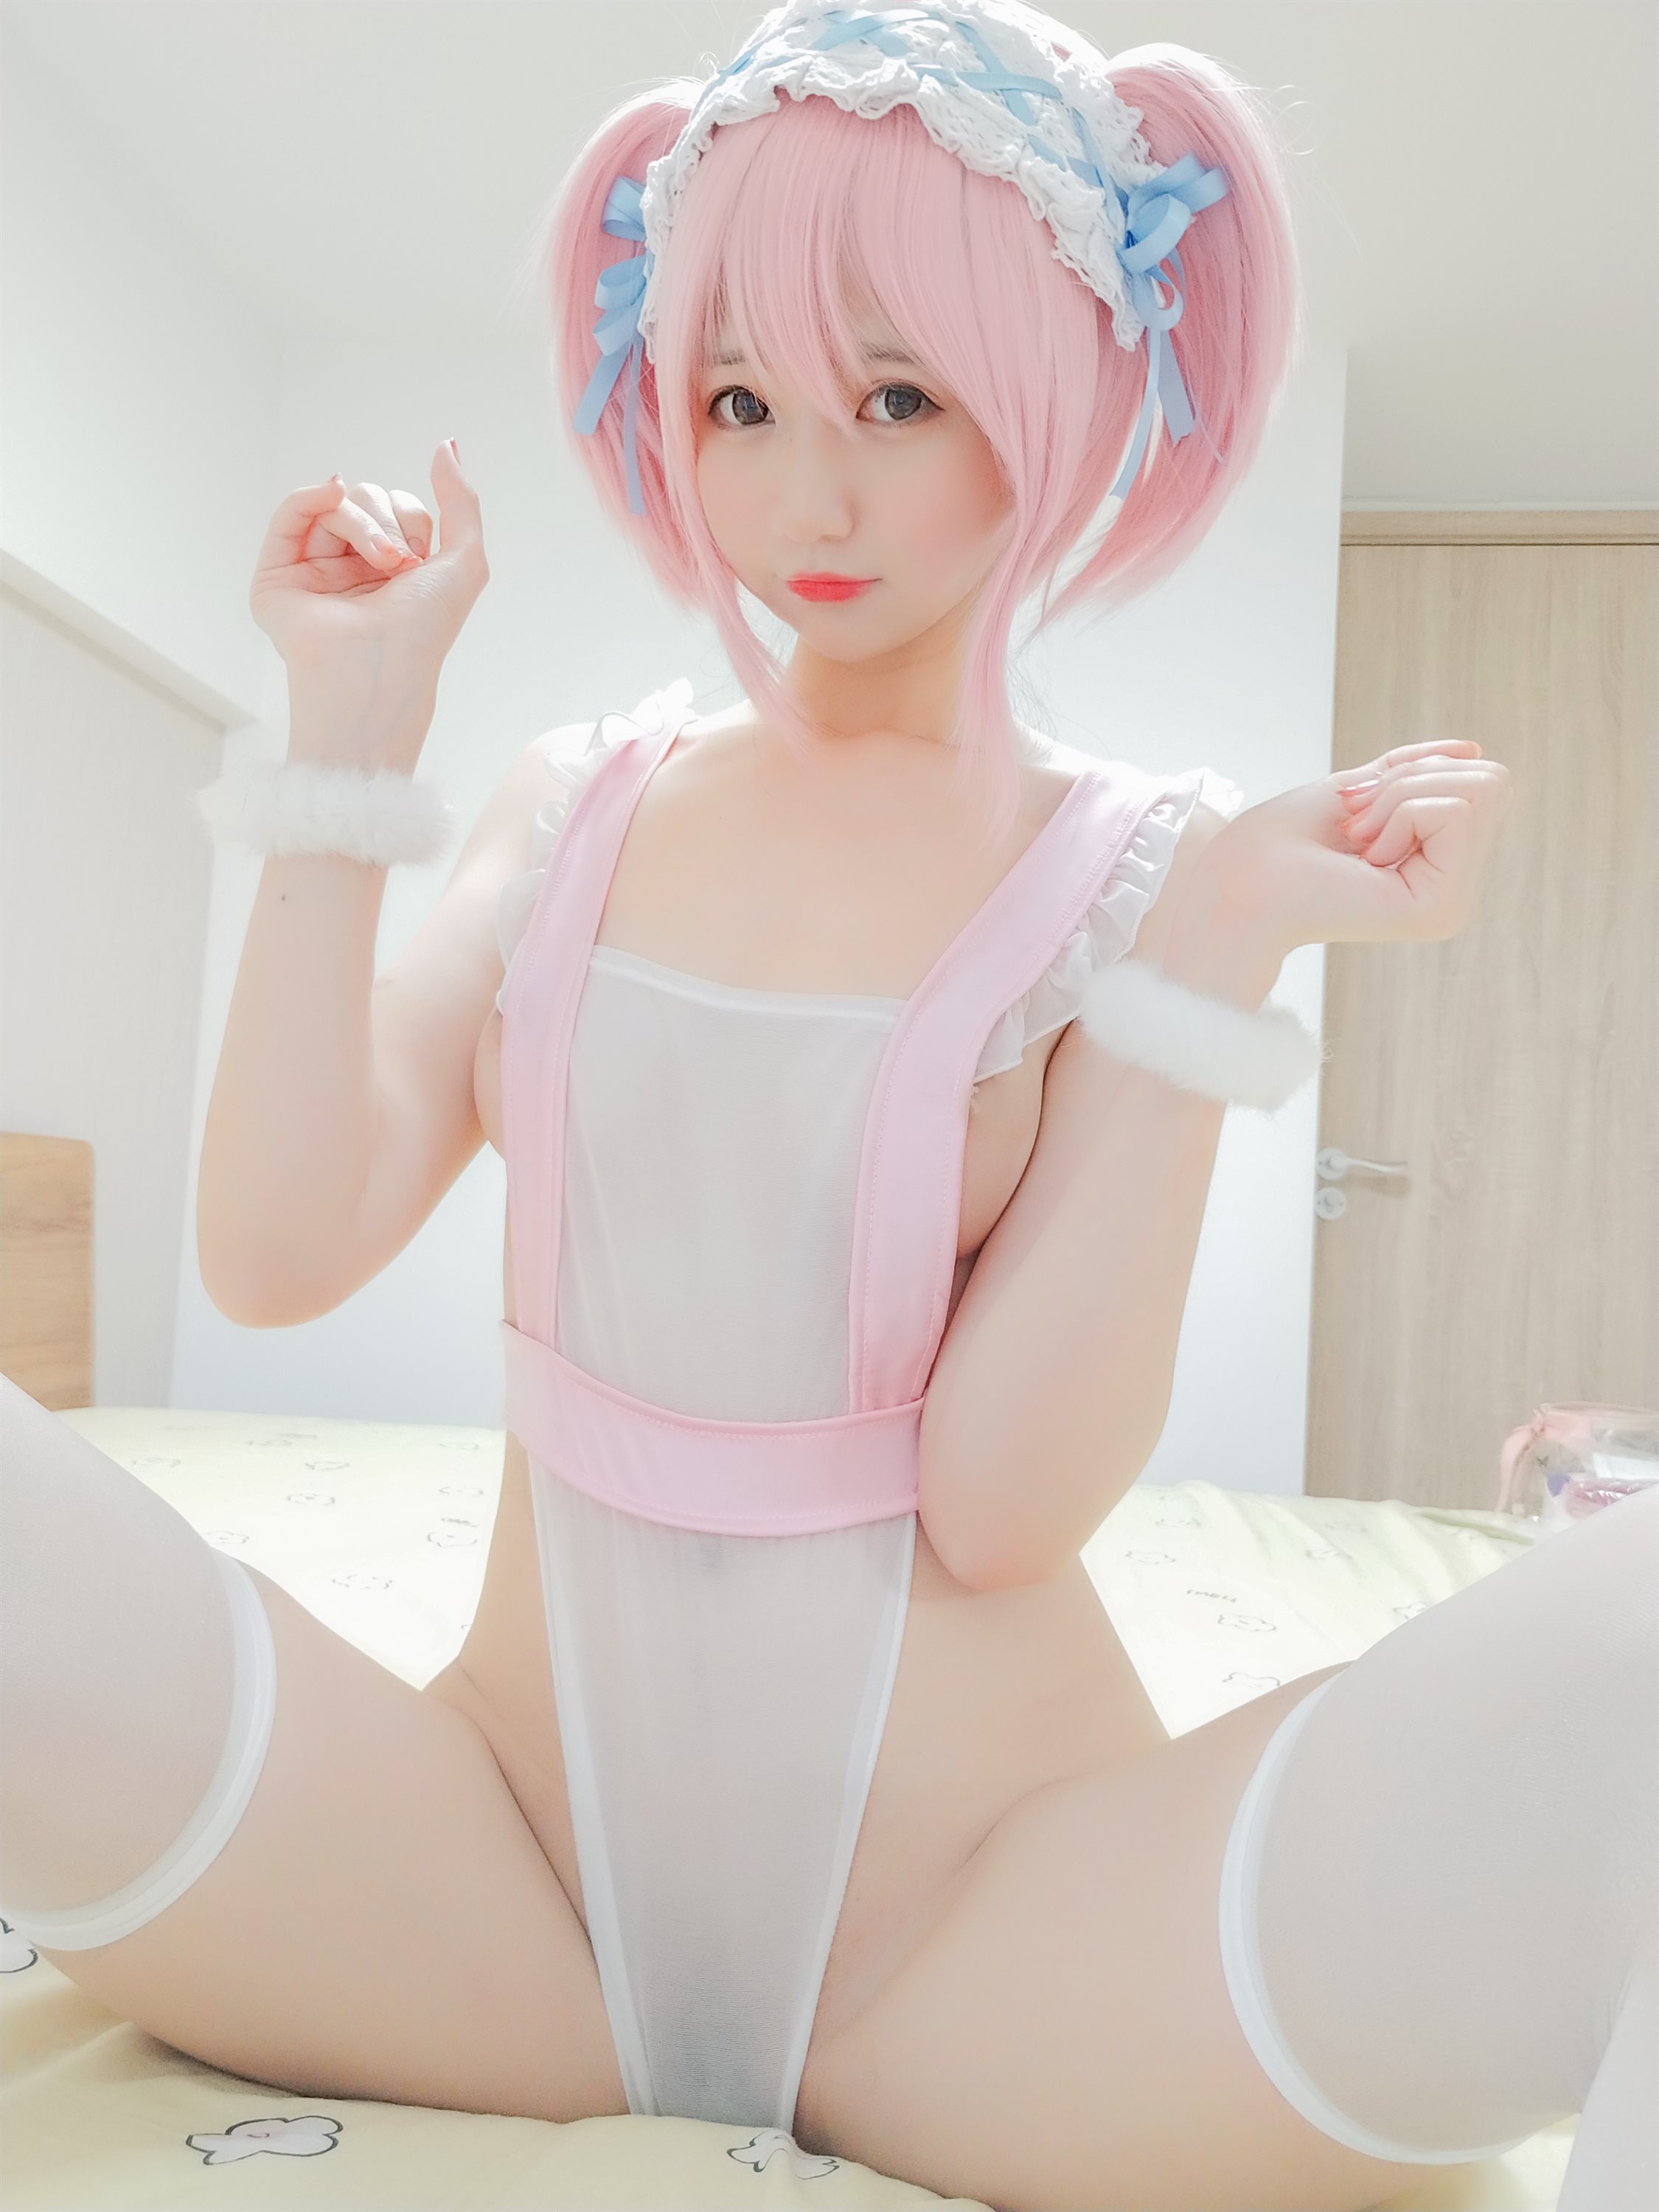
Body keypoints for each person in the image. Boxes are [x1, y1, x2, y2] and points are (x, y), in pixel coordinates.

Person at [1, 5, 1652, 2208]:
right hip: (485, 1883)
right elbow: (276, 1250)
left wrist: (1215, 957)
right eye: (738, 403)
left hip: (993, 1947)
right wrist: (349, 732)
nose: (808, 497)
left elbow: (998, 1507)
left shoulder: (1141, 871)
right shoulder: (573, 800)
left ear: (1056, 402)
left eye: (897, 397)